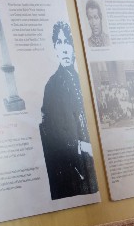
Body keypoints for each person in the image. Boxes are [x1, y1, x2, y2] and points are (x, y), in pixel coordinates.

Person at [40, 21, 98, 200]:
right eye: (59, 42)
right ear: (55, 48)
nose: (64, 49)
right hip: (71, 168)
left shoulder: (80, 78)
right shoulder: (52, 86)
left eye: (68, 43)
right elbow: (56, 135)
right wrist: (84, 146)